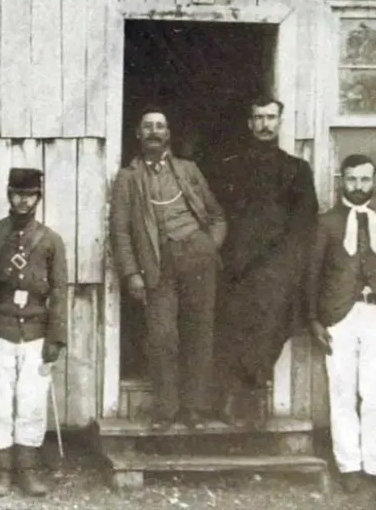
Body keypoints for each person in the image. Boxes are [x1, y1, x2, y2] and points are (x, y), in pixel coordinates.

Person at [109, 106, 226, 430]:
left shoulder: (188, 170)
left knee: (199, 332)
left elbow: (217, 215)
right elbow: (119, 231)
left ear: (168, 135)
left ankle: (195, 409)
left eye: (160, 126)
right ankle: (167, 411)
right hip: (156, 263)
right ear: (138, 134)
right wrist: (132, 273)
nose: (154, 132)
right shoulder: (128, 178)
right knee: (163, 337)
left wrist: (208, 246)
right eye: (148, 126)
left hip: (197, 258)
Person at [307, 153, 376, 494]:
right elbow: (311, 275)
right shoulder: (326, 222)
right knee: (342, 390)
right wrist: (313, 319)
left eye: (365, 179)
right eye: (352, 179)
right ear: (342, 180)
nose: (358, 186)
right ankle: (349, 466)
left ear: (375, 181)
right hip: (339, 316)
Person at [211, 96, 318, 426]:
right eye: (258, 118)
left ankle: (254, 397)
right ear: (249, 123)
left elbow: (304, 221)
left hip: (277, 267)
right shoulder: (230, 165)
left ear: (280, 122)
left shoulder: (296, 170)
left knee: (270, 327)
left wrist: (286, 266)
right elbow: (216, 213)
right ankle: (231, 397)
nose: (265, 124)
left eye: (271, 118)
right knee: (232, 326)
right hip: (236, 265)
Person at [0, 168, 68, 497]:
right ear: (8, 195)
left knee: (32, 402)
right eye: (16, 193)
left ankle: (27, 471)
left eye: (29, 194)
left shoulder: (51, 240)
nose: (22, 200)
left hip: (37, 335)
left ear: (38, 197)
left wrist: (56, 338)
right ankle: (1, 472)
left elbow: (59, 292)